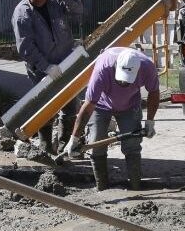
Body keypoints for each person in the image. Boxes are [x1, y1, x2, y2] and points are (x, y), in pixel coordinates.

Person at [62, 47, 158, 191]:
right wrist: (74, 139)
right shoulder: (103, 69)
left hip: (130, 104)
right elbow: (88, 107)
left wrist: (150, 121)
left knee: (132, 143)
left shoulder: (148, 67)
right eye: (122, 79)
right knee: (96, 142)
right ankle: (102, 187)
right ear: (116, 67)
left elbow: (154, 93)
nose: (124, 84)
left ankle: (135, 186)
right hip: (100, 104)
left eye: (128, 80)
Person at [11, 0, 84, 155]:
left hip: (65, 62)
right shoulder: (22, 13)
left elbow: (78, 10)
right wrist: (46, 67)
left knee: (69, 104)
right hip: (40, 68)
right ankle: (45, 147)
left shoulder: (55, 0)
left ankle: (64, 146)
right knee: (46, 107)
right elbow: (25, 47)